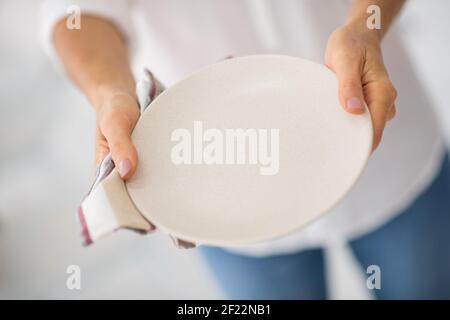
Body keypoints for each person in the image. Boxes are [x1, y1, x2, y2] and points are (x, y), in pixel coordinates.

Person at [41, 0, 450, 299]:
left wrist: (365, 27)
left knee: (426, 288)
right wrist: (110, 89)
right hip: (216, 182)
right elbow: (74, 13)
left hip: (383, 143)